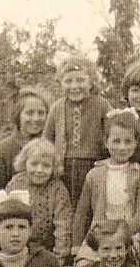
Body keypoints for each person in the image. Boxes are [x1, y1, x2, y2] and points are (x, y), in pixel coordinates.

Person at [71, 108, 140, 266]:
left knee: (132, 263)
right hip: (98, 235)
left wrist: (122, 235)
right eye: (116, 141)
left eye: (128, 142)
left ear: (136, 143)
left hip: (129, 234)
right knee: (84, 266)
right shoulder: (94, 174)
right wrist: (76, 245)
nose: (122, 147)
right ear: (106, 142)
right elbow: (81, 214)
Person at [43, 54, 113, 207]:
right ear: (61, 83)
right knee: (66, 206)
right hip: (63, 168)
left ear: (91, 82)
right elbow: (46, 141)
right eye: (68, 81)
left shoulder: (101, 105)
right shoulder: (57, 108)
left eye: (80, 80)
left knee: (90, 208)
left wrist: (108, 160)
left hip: (94, 166)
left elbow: (112, 134)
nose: (74, 86)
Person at [4, 137, 72, 261]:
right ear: (25, 163)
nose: (39, 170)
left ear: (53, 168)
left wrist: (59, 256)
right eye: (34, 164)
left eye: (46, 166)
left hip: (46, 249)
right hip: (17, 245)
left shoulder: (58, 189)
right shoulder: (15, 184)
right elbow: (6, 218)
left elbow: (63, 226)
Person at [0, 87, 50, 192]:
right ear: (18, 115)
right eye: (30, 113)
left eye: (41, 113)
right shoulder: (2, 151)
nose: (36, 118)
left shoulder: (52, 146)